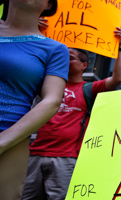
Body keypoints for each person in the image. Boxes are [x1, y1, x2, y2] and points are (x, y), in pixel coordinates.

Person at [21, 26, 121, 199]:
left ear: (84, 65)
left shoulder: (88, 89)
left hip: (66, 158)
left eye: (69, 57)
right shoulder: (48, 85)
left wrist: (120, 48)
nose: (64, 60)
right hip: (36, 154)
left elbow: (117, 79)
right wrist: (37, 32)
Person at [0, 0, 69, 199]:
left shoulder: (55, 50)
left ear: (48, 5)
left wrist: (3, 142)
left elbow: (51, 101)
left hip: (9, 142)